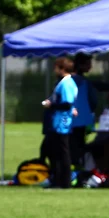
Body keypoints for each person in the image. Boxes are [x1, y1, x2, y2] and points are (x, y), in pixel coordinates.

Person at [42, 57, 78, 189]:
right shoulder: (62, 82)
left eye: (56, 67)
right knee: (55, 151)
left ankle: (63, 182)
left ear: (63, 69)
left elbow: (67, 103)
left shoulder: (67, 83)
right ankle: (57, 180)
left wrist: (51, 105)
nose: (54, 70)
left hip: (62, 122)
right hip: (57, 121)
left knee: (62, 152)